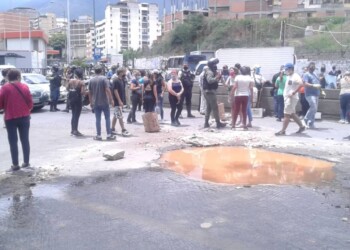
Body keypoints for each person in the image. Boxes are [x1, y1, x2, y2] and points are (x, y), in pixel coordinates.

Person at [0, 69, 33, 171]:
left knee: (13, 141)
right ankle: (26, 162)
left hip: (10, 118)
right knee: (25, 140)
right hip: (24, 117)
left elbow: (0, 104)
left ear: (8, 77)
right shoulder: (25, 87)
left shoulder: (4, 88)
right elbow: (30, 103)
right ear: (18, 77)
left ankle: (15, 165)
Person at [275, 63, 306, 136]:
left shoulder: (295, 76)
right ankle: (302, 126)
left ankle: (282, 131)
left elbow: (301, 84)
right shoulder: (289, 76)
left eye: (287, 69)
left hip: (291, 98)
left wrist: (294, 92)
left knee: (286, 114)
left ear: (291, 69)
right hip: (287, 97)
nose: (286, 71)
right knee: (292, 113)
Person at [88, 65, 116, 141]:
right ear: (101, 71)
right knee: (107, 118)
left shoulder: (91, 80)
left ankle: (98, 135)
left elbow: (89, 93)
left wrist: (91, 102)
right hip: (104, 102)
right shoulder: (104, 79)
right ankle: (109, 135)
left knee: (97, 119)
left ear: (94, 71)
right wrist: (111, 100)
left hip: (95, 102)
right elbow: (107, 89)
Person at [203, 58, 226, 129]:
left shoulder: (210, 71)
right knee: (215, 108)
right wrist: (217, 77)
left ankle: (206, 123)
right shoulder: (209, 72)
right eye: (215, 64)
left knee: (209, 108)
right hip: (210, 92)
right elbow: (209, 80)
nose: (216, 66)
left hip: (208, 92)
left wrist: (218, 77)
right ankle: (218, 123)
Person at [111, 68, 130, 136]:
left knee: (116, 115)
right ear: (121, 72)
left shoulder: (122, 80)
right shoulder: (116, 80)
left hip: (120, 100)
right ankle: (123, 129)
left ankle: (112, 129)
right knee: (120, 115)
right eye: (124, 72)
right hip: (117, 101)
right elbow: (115, 91)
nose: (125, 73)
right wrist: (119, 101)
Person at [303, 62, 321, 129]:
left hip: (316, 93)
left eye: (314, 66)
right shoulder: (306, 74)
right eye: (311, 66)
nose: (313, 67)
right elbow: (305, 83)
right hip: (309, 94)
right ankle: (305, 119)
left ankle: (311, 123)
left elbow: (318, 83)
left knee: (314, 109)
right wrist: (313, 85)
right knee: (313, 107)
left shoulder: (315, 74)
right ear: (308, 67)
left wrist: (322, 91)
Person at [67, 67, 85, 136]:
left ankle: (72, 130)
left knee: (73, 114)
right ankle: (75, 130)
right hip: (78, 99)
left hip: (71, 98)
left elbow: (67, 88)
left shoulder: (70, 80)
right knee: (76, 115)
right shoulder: (81, 82)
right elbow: (82, 92)